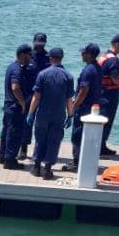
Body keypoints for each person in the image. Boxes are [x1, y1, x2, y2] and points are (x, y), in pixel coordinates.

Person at [26, 47, 75, 181]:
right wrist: (71, 115)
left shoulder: (42, 74)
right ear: (61, 58)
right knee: (54, 141)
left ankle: (36, 167)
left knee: (40, 139)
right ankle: (47, 170)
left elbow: (36, 97)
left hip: (43, 113)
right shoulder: (68, 76)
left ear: (51, 58)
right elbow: (69, 100)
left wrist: (30, 113)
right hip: (59, 115)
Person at [68, 43, 103, 171]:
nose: (81, 54)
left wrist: (74, 106)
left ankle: (76, 163)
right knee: (87, 136)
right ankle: (84, 161)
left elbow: (83, 90)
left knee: (77, 135)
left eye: (83, 52)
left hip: (84, 108)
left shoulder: (88, 70)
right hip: (93, 107)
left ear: (89, 55)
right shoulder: (97, 68)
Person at [0, 44, 33, 170]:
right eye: (29, 55)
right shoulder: (17, 69)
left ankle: (2, 156)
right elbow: (15, 87)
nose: (31, 57)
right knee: (14, 134)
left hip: (8, 106)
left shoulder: (11, 67)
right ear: (23, 55)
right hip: (15, 107)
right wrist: (23, 102)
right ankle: (10, 161)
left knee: (6, 132)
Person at [20, 33, 51, 160]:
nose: (39, 46)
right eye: (37, 43)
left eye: (42, 43)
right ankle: (23, 149)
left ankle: (40, 151)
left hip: (43, 96)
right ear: (33, 42)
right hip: (28, 96)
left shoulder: (49, 58)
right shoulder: (28, 56)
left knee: (43, 124)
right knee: (26, 123)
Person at [97, 35, 119, 157]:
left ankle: (102, 145)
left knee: (105, 120)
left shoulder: (106, 56)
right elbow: (116, 79)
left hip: (104, 92)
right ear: (117, 44)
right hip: (108, 93)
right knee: (106, 120)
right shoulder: (112, 60)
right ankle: (99, 148)